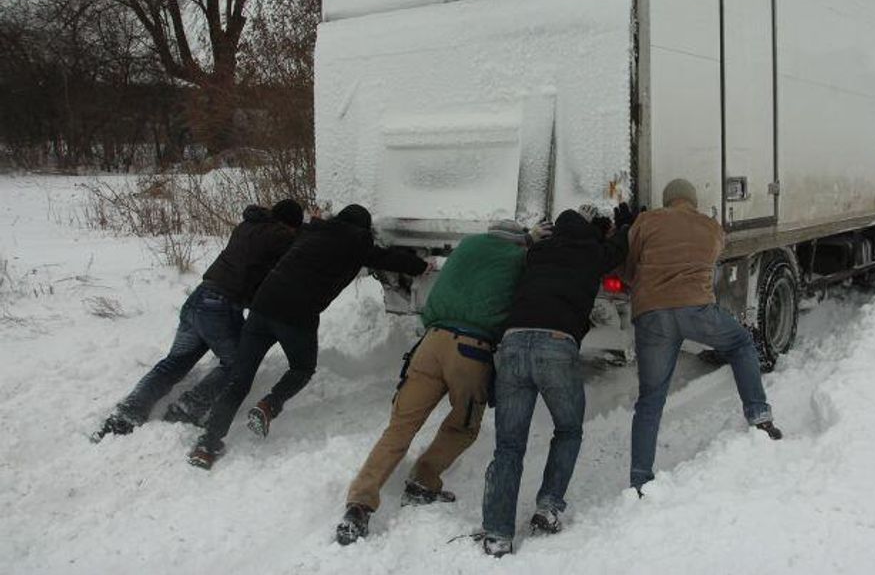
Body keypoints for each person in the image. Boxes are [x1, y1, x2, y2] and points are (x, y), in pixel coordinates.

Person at [335, 220, 538, 545]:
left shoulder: (469, 245)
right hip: (471, 352)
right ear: (518, 243)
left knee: (400, 427)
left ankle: (358, 505)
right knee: (463, 426)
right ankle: (422, 481)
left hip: (429, 344)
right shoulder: (519, 258)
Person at [188, 204, 428, 469]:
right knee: (302, 368)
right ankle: (269, 405)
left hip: (263, 305)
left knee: (240, 379)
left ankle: (207, 445)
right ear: (363, 228)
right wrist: (421, 266)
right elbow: (390, 260)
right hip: (297, 316)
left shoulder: (310, 232)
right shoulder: (357, 244)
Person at [479, 204, 635, 558]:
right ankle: (548, 507)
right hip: (556, 345)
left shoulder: (538, 251)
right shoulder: (592, 252)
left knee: (508, 446)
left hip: (514, 344)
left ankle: (497, 533)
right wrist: (625, 223)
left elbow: (524, 247)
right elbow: (620, 246)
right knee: (567, 429)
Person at [91, 200, 303, 442]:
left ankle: (125, 415)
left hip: (199, 298)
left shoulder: (249, 225)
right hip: (221, 306)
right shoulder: (278, 234)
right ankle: (187, 409)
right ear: (288, 225)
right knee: (238, 365)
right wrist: (315, 227)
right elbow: (299, 244)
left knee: (174, 363)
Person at [625, 179, 781, 494]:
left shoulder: (646, 222)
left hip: (652, 315)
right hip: (696, 310)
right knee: (740, 343)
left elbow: (630, 271)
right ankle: (760, 417)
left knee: (651, 400)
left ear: (667, 200)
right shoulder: (710, 226)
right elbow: (715, 255)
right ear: (692, 201)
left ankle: (641, 479)